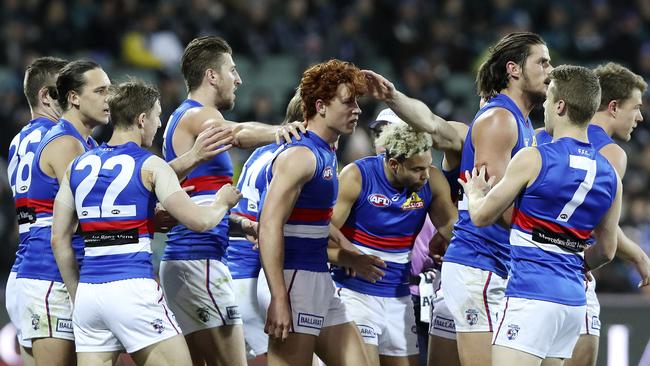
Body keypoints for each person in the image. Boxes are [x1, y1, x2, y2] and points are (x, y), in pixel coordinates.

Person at [50, 80, 241, 366]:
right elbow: (200, 222)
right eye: (157, 115)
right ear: (142, 119)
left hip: (90, 293)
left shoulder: (77, 166)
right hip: (132, 289)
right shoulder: (150, 164)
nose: (159, 123)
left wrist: (78, 295)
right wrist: (222, 202)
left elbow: (59, 239)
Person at [460, 65, 621, 366]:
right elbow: (608, 250)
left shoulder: (534, 158)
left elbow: (481, 217)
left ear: (560, 105)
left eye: (548, 99)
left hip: (530, 296)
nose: (543, 106)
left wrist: (474, 192)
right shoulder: (611, 175)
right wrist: (573, 260)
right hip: (573, 303)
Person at [159, 36, 304, 366]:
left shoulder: (180, 118)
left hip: (183, 260)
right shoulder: (199, 115)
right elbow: (236, 134)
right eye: (232, 71)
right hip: (200, 261)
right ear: (212, 76)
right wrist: (286, 131)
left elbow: (203, 196)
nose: (238, 79)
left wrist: (238, 224)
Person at [408, 32, 549, 366]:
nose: (550, 70)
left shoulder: (522, 122)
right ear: (514, 69)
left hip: (472, 266)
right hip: (482, 267)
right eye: (542, 62)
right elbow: (497, 208)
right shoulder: (501, 119)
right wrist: (551, 244)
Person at [257, 59, 372, 366]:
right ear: (320, 106)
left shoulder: (325, 152)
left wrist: (348, 252)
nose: (357, 110)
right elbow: (269, 226)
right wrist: (280, 297)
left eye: (358, 102)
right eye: (348, 102)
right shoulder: (301, 155)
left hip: (318, 278)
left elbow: (314, 224)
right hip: (294, 281)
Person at [535, 62, 650, 366]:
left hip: (523, 267)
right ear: (613, 106)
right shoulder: (612, 155)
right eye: (635, 107)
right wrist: (637, 257)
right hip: (568, 274)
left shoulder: (539, 136)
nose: (639, 116)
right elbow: (603, 233)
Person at [330, 120, 457, 366]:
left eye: (428, 166)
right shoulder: (357, 176)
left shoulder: (432, 181)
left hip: (399, 299)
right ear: (393, 164)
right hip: (356, 295)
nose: (426, 175)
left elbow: (455, 230)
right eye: (418, 169)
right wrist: (347, 253)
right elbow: (320, 227)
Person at [227, 87, 303, 362]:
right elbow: (271, 224)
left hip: (234, 273)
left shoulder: (261, 152)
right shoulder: (293, 159)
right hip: (254, 277)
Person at [6, 56, 68, 366]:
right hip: (47, 270)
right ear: (46, 95)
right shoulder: (59, 139)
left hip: (22, 272)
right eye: (67, 89)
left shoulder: (18, 140)